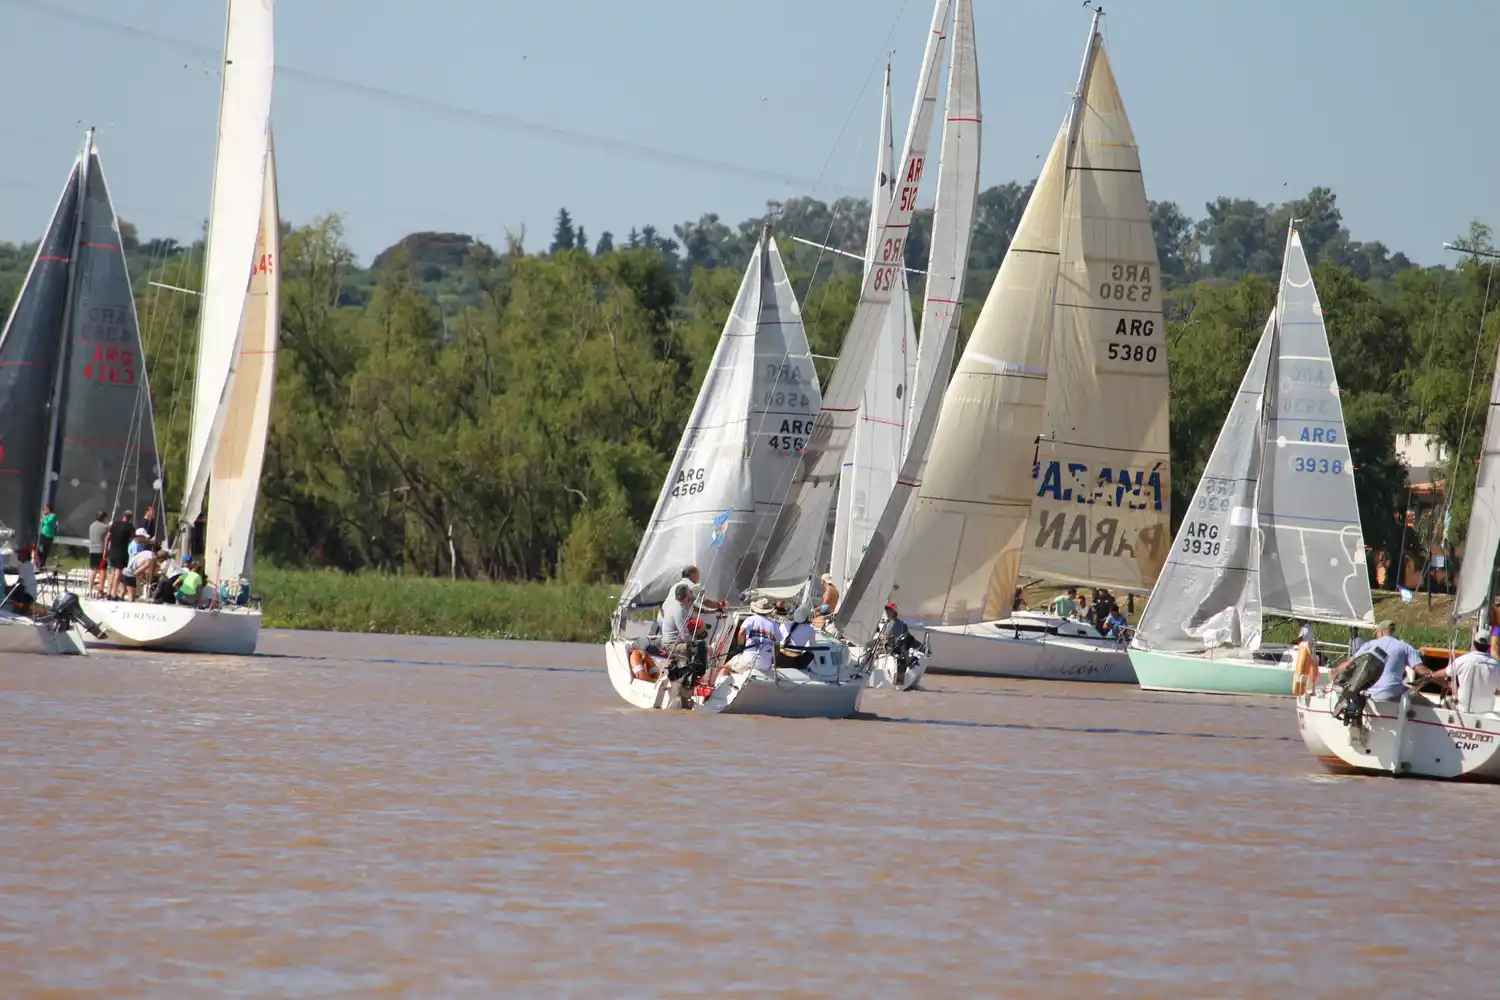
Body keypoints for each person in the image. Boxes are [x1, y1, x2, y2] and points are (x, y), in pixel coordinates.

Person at [1347, 620, 1425, 701]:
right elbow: (1421, 670)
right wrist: (1433, 675)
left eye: (1376, 634)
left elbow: (1349, 664)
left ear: (1380, 632)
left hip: (1370, 693)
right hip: (1392, 694)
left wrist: (1334, 672)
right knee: (1415, 695)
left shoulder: (1369, 645)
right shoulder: (1406, 647)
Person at [1423, 634, 1500, 714]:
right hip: (1486, 711)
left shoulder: (1464, 659)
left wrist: (1431, 675)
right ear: (1489, 646)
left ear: (1473, 643)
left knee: (1445, 703)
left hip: (1462, 709)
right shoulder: (1497, 666)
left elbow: (1446, 672)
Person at [715, 597, 780, 684]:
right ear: (768, 611)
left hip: (748, 660)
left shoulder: (750, 619)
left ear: (756, 609)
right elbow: (777, 646)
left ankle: (717, 687)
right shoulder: (774, 625)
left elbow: (741, 632)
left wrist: (740, 646)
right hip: (765, 664)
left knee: (725, 668)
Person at [104, 510, 134, 599]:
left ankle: (108, 592)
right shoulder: (129, 527)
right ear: (130, 518)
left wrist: (105, 550)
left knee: (111, 572)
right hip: (122, 551)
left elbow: (107, 538)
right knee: (118, 572)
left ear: (123, 516)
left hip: (112, 550)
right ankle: (114, 593)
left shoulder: (115, 524)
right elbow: (132, 539)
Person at [1291, 625, 1318, 697]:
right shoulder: (1310, 628)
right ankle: (1308, 690)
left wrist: (1292, 642)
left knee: (1301, 671)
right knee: (1308, 671)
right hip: (1310, 650)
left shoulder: (1304, 628)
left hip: (1305, 649)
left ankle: (1299, 690)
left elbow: (1300, 638)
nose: (1298, 622)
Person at [87, 511, 109, 591]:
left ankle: (90, 589)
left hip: (92, 549)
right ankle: (101, 589)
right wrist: (108, 524)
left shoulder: (92, 525)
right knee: (102, 570)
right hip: (101, 550)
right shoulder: (105, 526)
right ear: (104, 518)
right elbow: (109, 534)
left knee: (93, 570)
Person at [36, 504, 57, 569]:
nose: (44, 510)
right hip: (43, 534)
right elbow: (42, 522)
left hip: (49, 535)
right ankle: (39, 563)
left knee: (46, 550)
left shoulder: (53, 515)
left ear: (48, 509)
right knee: (40, 549)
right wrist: (43, 518)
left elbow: (48, 522)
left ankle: (42, 564)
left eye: (46, 509)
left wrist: (44, 517)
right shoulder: (46, 516)